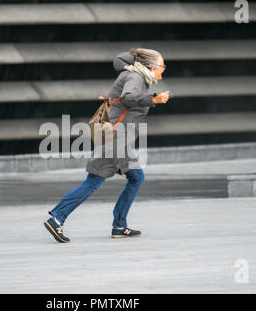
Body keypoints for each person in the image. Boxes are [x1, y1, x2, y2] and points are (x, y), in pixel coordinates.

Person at [44, 48, 169, 243]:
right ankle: (57, 217)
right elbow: (128, 97)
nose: (163, 70)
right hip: (116, 139)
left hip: (120, 139)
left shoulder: (134, 75)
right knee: (93, 181)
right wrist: (153, 99)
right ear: (152, 67)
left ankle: (119, 225)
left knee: (136, 177)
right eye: (162, 66)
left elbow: (124, 89)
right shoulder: (135, 77)